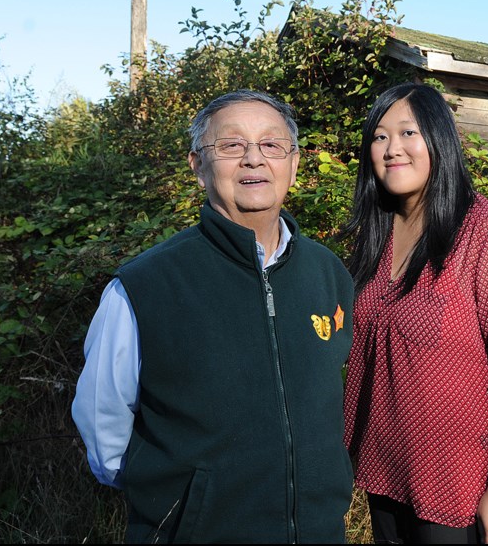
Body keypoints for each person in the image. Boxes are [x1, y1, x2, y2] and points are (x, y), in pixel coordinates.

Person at [71, 89, 355, 543]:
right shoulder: (144, 286)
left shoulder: (329, 273)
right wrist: (180, 504)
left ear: (294, 163)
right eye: (231, 146)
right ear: (198, 166)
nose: (253, 159)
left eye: (271, 144)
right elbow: (103, 420)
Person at [341, 82, 488, 544]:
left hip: (454, 489)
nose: (393, 149)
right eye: (379, 136)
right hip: (383, 471)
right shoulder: (378, 233)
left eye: (408, 132)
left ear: (439, 139)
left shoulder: (487, 235)